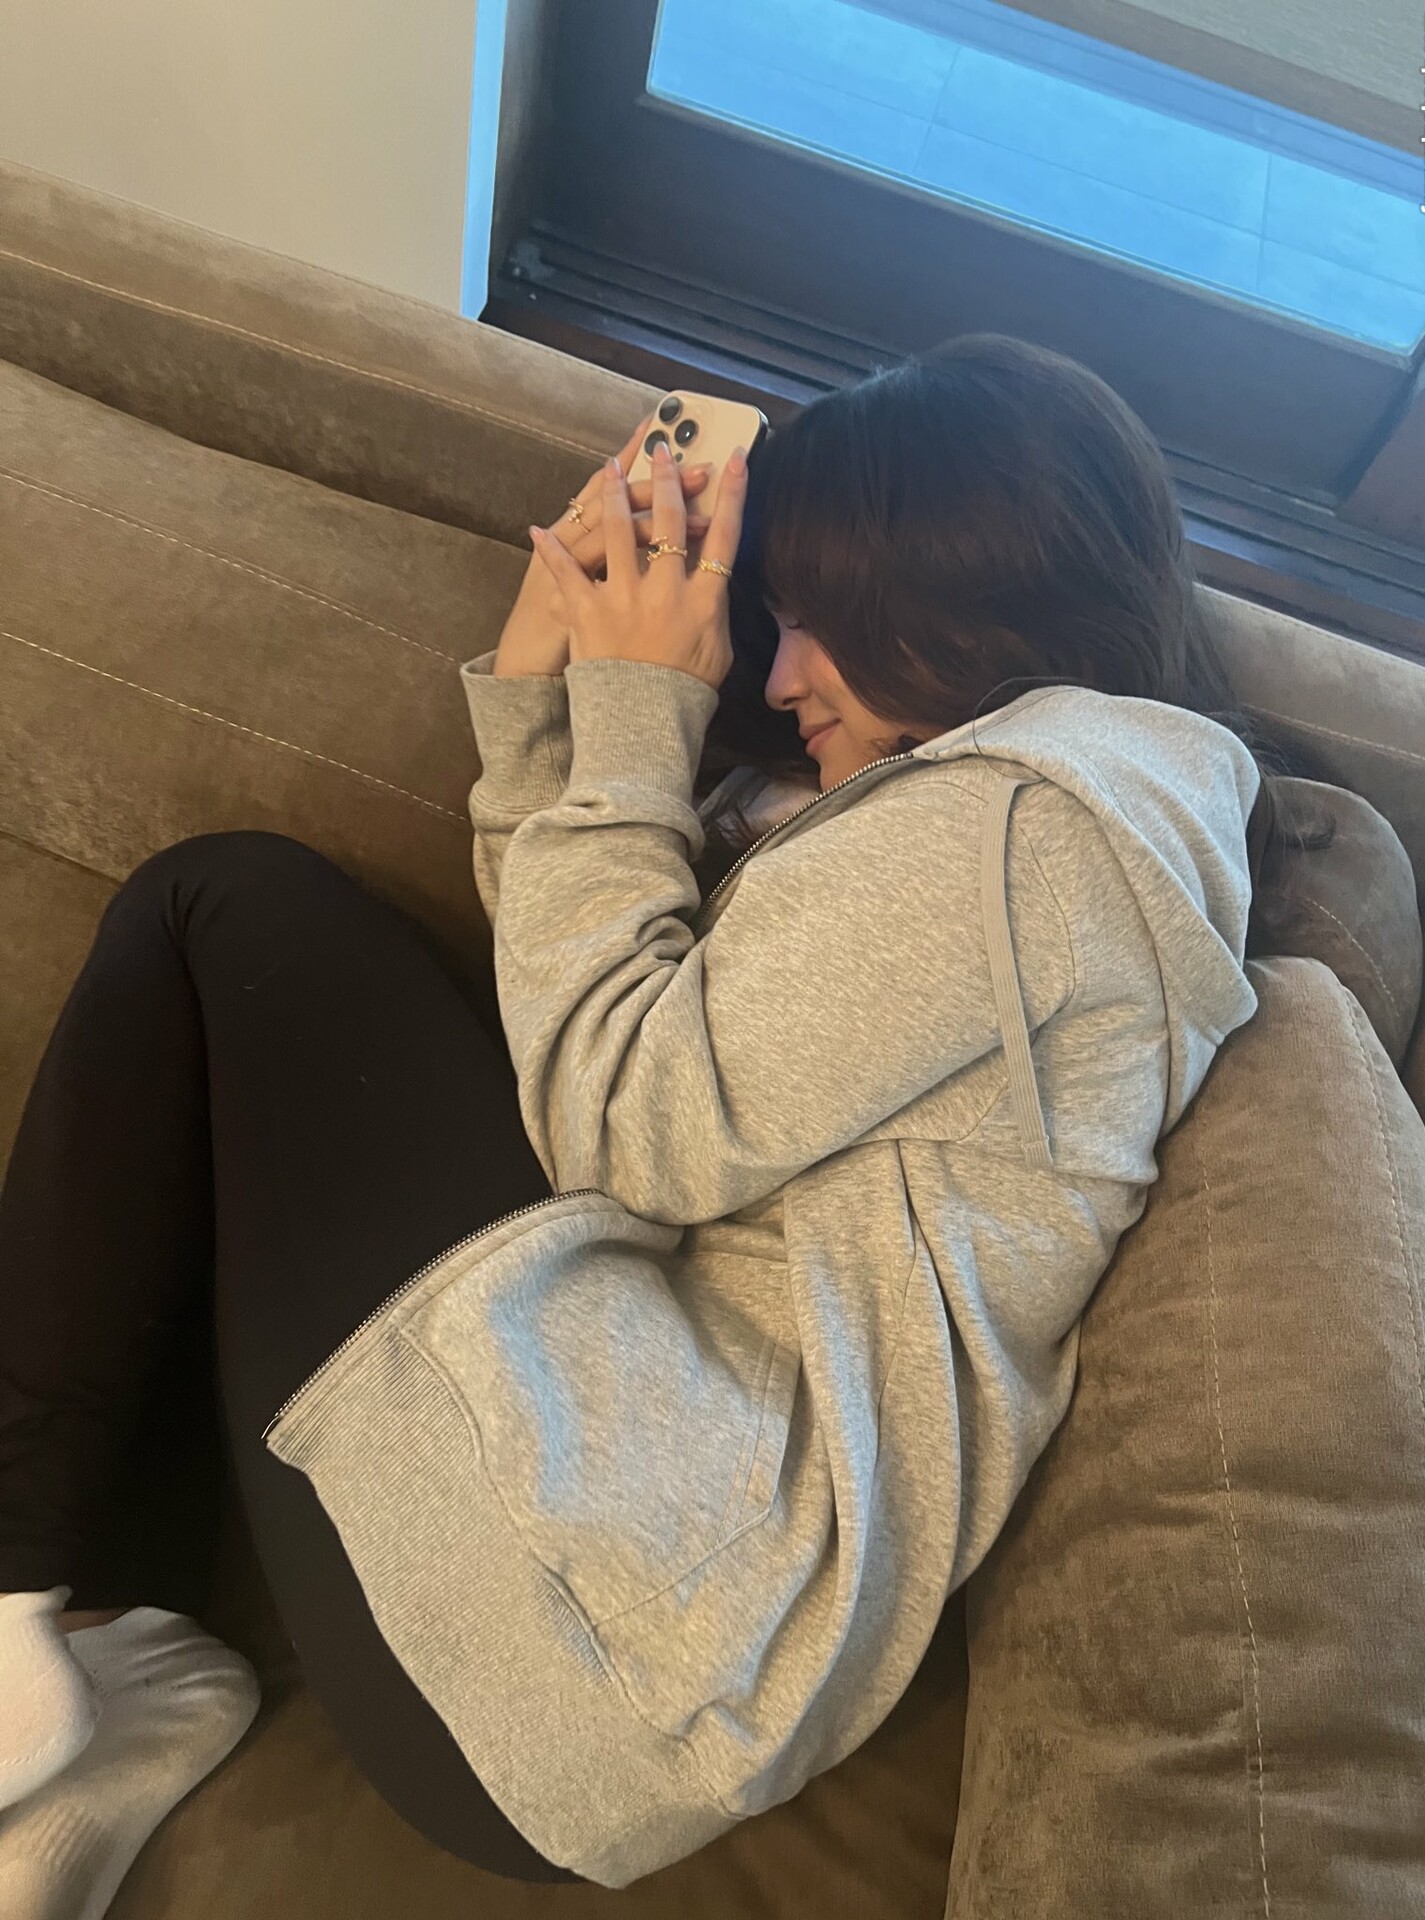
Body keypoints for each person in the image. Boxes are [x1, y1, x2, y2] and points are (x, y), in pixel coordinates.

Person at [0, 333, 1335, 1901]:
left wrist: (639, 708)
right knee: (232, 984)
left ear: (959, 597)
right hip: (624, 1592)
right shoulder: (1000, 815)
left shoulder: (1048, 820)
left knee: (222, 908)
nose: (777, 676)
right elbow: (571, 1017)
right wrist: (542, 698)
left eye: (820, 624)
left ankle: (20, 1604)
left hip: (612, 1630)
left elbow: (620, 1130)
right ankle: (108, 1656)